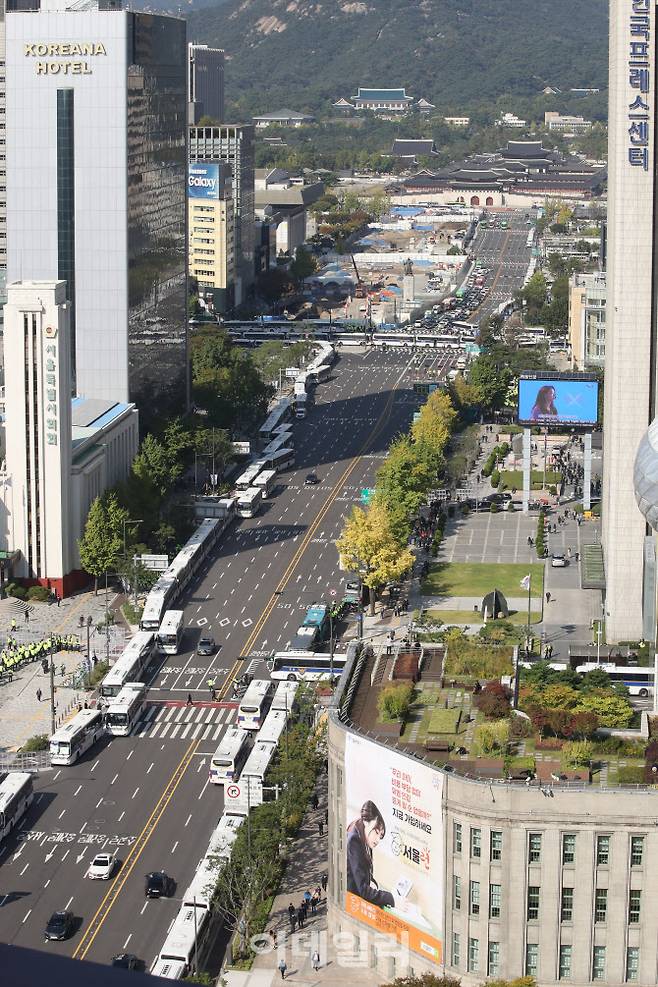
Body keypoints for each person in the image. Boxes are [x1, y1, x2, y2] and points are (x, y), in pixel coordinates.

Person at [346, 800, 395, 908]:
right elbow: (363, 890)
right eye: (376, 832)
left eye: (380, 836)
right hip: (353, 905)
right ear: (366, 822)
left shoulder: (360, 832)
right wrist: (392, 899)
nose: (377, 840)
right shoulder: (354, 840)